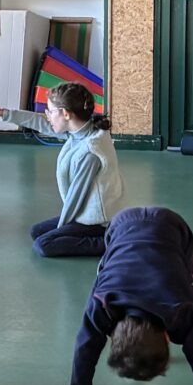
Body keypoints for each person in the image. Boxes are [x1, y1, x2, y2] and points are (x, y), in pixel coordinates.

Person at [53, 208, 193, 385]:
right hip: (122, 227)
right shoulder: (102, 303)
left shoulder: (180, 311)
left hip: (172, 227)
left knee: (191, 288)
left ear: (167, 337)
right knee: (105, 273)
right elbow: (86, 345)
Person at [13, 82, 125, 260]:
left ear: (66, 114)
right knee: (36, 231)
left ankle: (110, 241)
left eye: (50, 111)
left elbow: (75, 197)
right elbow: (40, 123)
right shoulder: (83, 129)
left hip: (98, 221)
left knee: (43, 244)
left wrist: (62, 228)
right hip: (85, 213)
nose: (47, 116)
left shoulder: (90, 151)